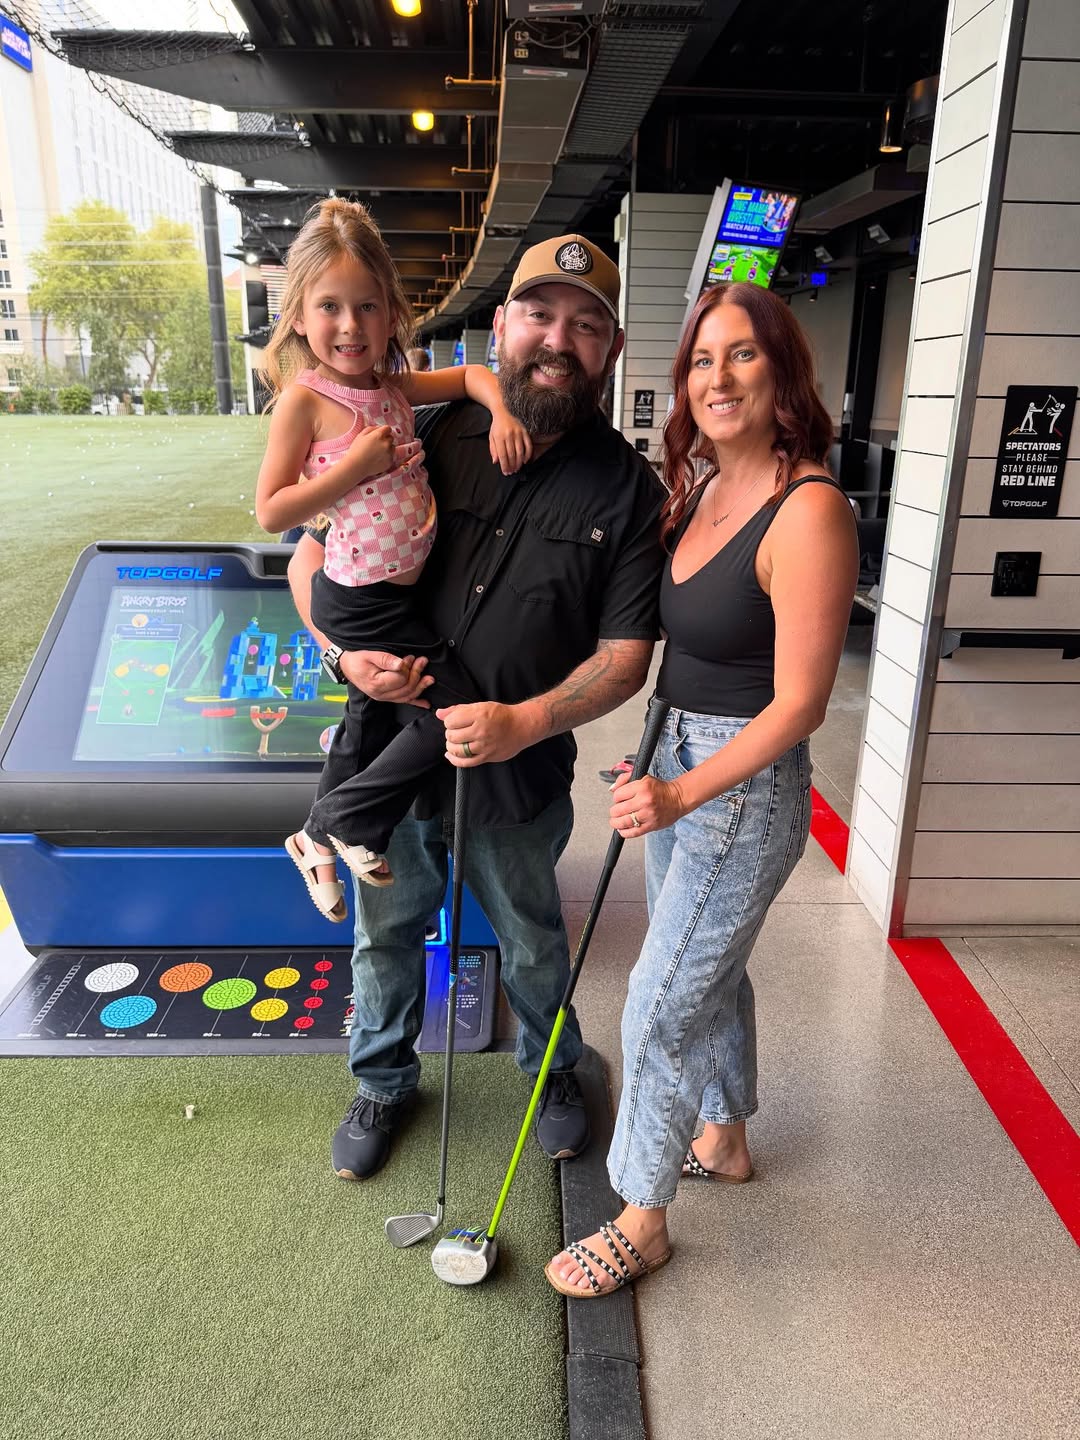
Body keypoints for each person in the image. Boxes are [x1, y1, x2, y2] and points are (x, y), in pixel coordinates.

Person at [288, 233, 666, 1181]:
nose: (558, 340)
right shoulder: (414, 431)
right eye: (539, 314)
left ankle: (553, 1072)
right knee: (386, 934)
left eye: (586, 325)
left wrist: (523, 722)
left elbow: (625, 659)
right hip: (394, 757)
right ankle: (382, 1081)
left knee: (533, 941)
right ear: (502, 326)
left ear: (612, 349)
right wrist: (343, 655)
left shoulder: (630, 492)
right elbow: (311, 560)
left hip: (517, 771)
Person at [545, 281, 859, 1299]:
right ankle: (722, 1138)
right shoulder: (704, 487)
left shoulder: (808, 510)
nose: (717, 378)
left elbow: (799, 704)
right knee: (704, 969)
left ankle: (641, 1217)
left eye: (743, 355)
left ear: (784, 372)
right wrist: (656, 764)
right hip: (675, 755)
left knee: (659, 1000)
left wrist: (684, 796)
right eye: (701, 361)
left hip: (742, 789)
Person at [254, 198, 530, 919]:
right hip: (360, 596)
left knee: (369, 721)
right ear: (299, 316)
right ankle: (342, 822)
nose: (350, 325)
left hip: (395, 596)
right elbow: (272, 510)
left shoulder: (391, 388)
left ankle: (316, 840)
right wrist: (356, 467)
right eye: (330, 307)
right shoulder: (305, 401)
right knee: (455, 711)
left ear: (392, 315)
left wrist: (502, 411)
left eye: (367, 307)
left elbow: (471, 377)